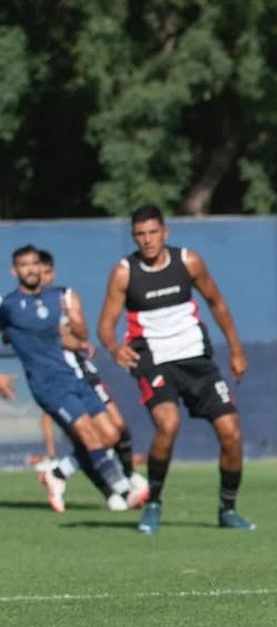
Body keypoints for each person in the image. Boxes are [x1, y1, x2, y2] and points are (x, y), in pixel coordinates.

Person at [97, 205, 256, 533]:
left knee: (231, 432)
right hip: (152, 359)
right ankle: (153, 502)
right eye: (140, 235)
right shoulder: (125, 272)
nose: (147, 240)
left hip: (196, 359)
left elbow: (217, 303)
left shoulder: (188, 261)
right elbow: (105, 325)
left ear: (165, 232)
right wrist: (114, 348)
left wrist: (236, 350)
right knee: (167, 426)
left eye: (153, 233)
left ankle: (228, 509)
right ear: (133, 237)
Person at [1, 245, 142, 512]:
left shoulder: (57, 298)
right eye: (24, 265)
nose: (31, 269)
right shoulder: (7, 306)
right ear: (14, 270)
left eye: (34, 264)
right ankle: (123, 490)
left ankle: (58, 474)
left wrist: (76, 329)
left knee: (111, 434)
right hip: (48, 385)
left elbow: (72, 335)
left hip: (73, 377)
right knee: (89, 434)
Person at [36, 249, 147, 507]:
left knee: (117, 429)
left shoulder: (66, 296)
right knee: (92, 437)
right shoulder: (23, 308)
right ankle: (116, 489)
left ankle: (66, 473)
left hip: (84, 371)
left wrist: (71, 328)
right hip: (58, 378)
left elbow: (82, 334)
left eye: (46, 272)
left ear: (52, 273)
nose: (41, 277)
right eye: (36, 272)